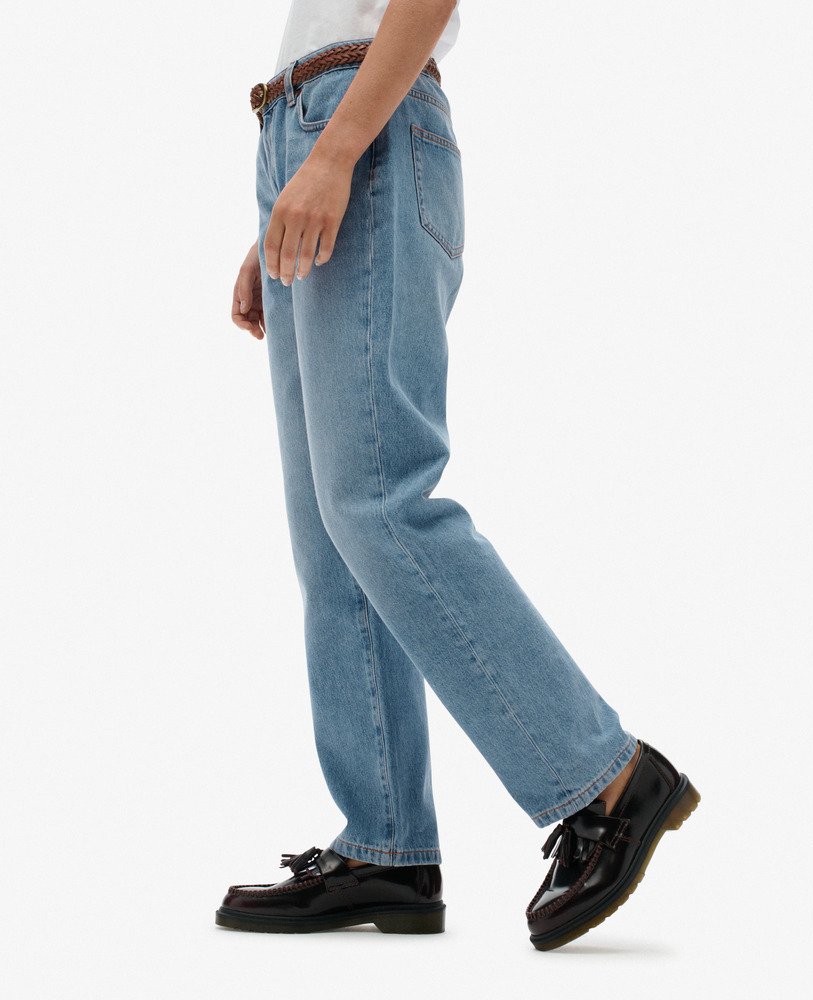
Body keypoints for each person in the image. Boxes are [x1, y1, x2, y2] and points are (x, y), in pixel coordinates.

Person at [217, 0, 699, 951]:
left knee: (381, 502)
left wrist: (334, 152)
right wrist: (287, 187)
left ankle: (608, 776)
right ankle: (385, 843)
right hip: (306, 129)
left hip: (362, 121)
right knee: (334, 535)